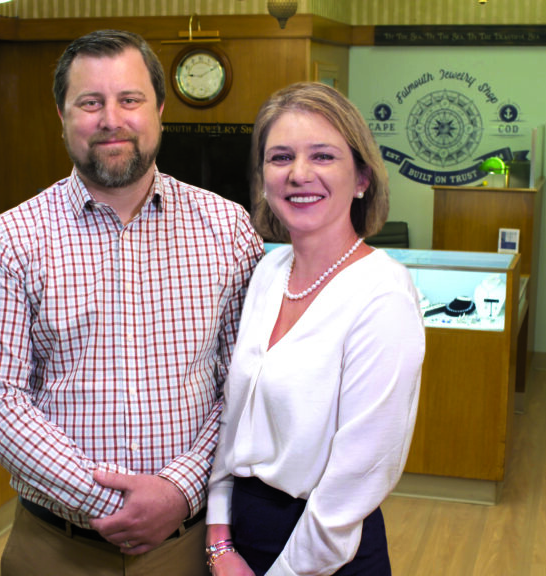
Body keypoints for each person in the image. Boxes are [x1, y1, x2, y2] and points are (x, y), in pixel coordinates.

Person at [0, 29, 263, 576]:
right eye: (90, 102)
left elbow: (243, 383)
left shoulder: (228, 229)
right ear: (61, 115)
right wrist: (109, 504)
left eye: (129, 100)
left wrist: (178, 490)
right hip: (54, 547)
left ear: (160, 110)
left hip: (188, 546)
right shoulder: (11, 239)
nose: (111, 119)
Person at [204, 82, 426, 575]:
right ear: (263, 178)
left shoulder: (381, 294)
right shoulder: (267, 273)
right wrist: (219, 540)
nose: (299, 174)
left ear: (363, 177)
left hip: (326, 550)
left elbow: (359, 478)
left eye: (323, 156)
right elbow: (232, 421)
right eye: (280, 157)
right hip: (239, 537)